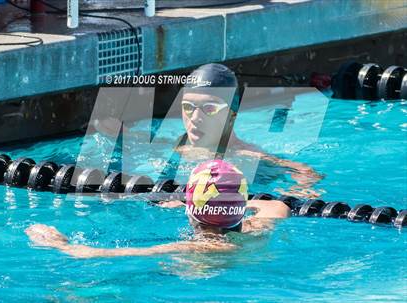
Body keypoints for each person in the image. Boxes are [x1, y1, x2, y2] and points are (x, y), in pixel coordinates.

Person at [25, 160, 290, 258]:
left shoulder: (199, 248)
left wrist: (58, 244)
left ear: (190, 209)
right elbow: (276, 205)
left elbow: (92, 253)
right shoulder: (261, 227)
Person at [163, 63, 323, 201]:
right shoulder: (181, 147)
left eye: (209, 108)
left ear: (232, 114)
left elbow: (307, 172)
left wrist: (293, 194)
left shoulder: (247, 155)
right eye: (188, 107)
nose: (195, 118)